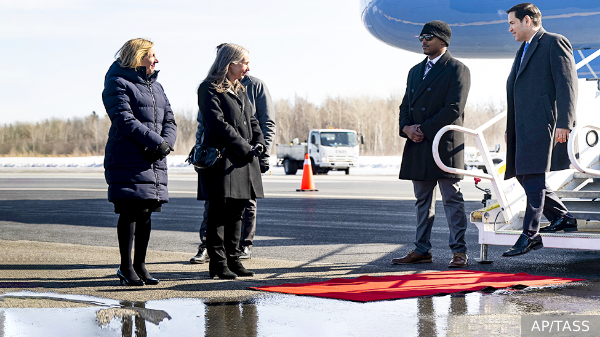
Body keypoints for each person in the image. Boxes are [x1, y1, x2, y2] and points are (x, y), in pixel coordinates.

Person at [391, 20, 471, 268]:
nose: (423, 42)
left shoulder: (457, 69)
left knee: (452, 199)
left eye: (428, 37)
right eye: (421, 38)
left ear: (443, 41)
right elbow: (405, 104)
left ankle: (459, 252)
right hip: (419, 143)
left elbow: (454, 108)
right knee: (422, 201)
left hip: (444, 143)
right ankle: (421, 250)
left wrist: (422, 129)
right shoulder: (415, 71)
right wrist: (406, 128)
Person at [502, 3, 578, 257]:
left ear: (527, 21)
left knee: (533, 178)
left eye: (512, 23)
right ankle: (563, 217)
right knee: (523, 175)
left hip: (542, 123)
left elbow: (567, 84)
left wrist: (565, 122)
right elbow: (515, 90)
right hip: (521, 125)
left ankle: (530, 235)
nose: (510, 29)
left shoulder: (554, 42)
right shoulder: (523, 49)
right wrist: (508, 128)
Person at [102, 38, 177, 286]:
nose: (157, 60)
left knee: (146, 213)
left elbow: (170, 120)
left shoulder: (157, 87)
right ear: (138, 56)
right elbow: (124, 120)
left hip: (152, 158)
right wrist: (156, 142)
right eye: (152, 55)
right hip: (127, 156)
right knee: (129, 212)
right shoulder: (117, 83)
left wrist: (164, 143)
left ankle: (140, 265)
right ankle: (125, 267)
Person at [190, 49, 275, 264]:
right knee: (218, 213)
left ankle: (234, 259)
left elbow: (253, 120)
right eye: (245, 63)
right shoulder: (208, 88)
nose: (248, 68)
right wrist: (245, 147)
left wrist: (260, 144)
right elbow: (218, 125)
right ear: (230, 64)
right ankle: (218, 263)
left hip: (243, 160)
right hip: (223, 160)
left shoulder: (241, 88)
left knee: (237, 212)